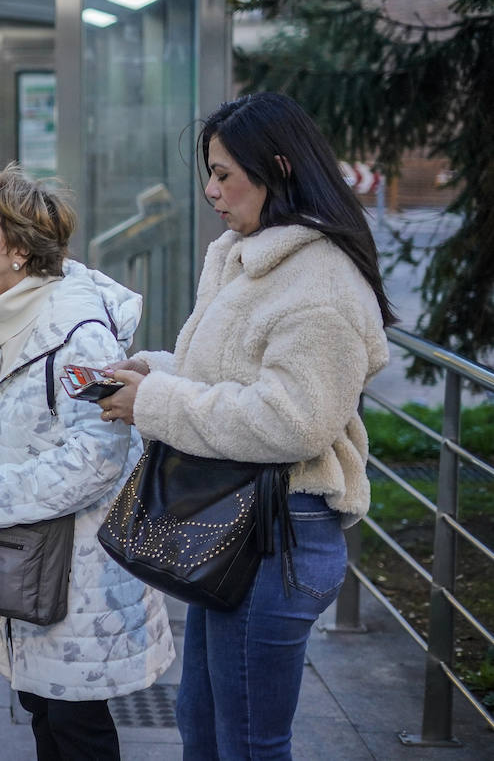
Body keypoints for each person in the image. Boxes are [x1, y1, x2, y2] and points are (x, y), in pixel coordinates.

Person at [97, 91, 394, 759]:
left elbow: (292, 420)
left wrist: (156, 401)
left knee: (249, 743)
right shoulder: (251, 256)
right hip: (241, 526)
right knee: (204, 725)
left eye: (223, 173)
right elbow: (228, 374)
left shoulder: (318, 280)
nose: (210, 189)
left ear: (278, 169)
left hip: (277, 535)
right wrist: (149, 372)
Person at [0, 166, 175, 760]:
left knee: (76, 728)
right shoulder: (5, 316)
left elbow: (99, 455)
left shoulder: (76, 333)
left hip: (78, 576)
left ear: (21, 250)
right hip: (34, 565)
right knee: (46, 715)